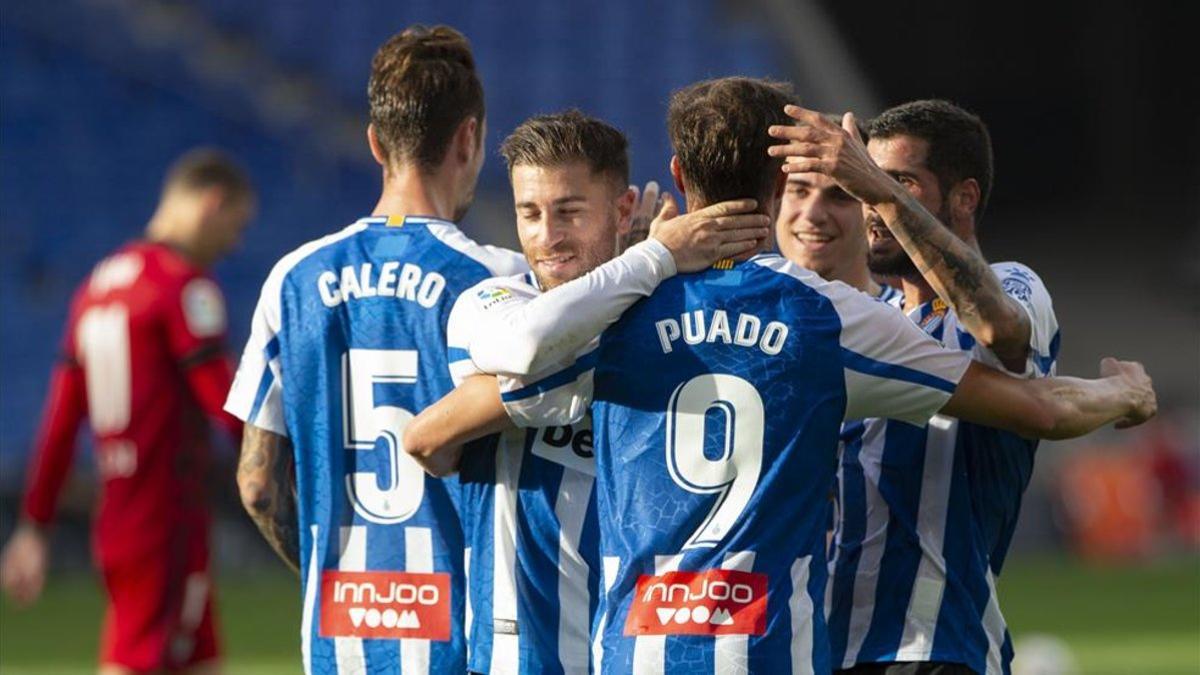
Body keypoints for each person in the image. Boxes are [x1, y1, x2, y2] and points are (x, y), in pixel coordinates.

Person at [406, 77, 1155, 673]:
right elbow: (1031, 406)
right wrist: (1119, 393)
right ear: (777, 184)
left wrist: (649, 261)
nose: (846, 208)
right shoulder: (827, 320)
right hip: (776, 645)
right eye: (534, 213)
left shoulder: (614, 315)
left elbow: (450, 418)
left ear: (671, 176)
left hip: (664, 647)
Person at [401, 109, 770, 673]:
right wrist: (656, 259)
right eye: (530, 213)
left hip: (645, 648)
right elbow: (530, 345)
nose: (547, 237)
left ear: (623, 210)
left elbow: (433, 436)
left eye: (569, 212)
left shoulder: (674, 314)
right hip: (517, 654)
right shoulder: (490, 301)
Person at [769, 99, 1076, 675]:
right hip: (823, 650)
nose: (873, 204)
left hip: (931, 648)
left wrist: (874, 187)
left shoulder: (1014, 285)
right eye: (867, 183)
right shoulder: (873, 324)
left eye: (899, 183)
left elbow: (998, 329)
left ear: (963, 198)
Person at [0, 148, 254, 675]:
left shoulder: (97, 287)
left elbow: (62, 418)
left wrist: (35, 523)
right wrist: (292, 457)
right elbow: (225, 405)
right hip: (166, 515)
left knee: (198, 660)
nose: (236, 243)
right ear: (212, 202)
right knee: (139, 662)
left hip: (118, 516)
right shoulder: (182, 286)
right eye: (236, 224)